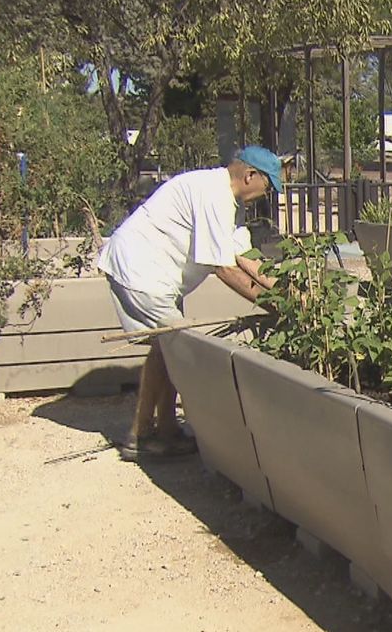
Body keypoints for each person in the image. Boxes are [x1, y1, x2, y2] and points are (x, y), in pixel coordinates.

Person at [99, 145, 282, 461]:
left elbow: (245, 259)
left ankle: (164, 431)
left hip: (159, 279)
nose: (265, 197)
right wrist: (276, 306)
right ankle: (141, 435)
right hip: (141, 271)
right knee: (174, 349)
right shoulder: (213, 195)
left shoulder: (231, 205)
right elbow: (223, 267)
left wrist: (286, 290)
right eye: (266, 188)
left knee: (167, 349)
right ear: (250, 175)